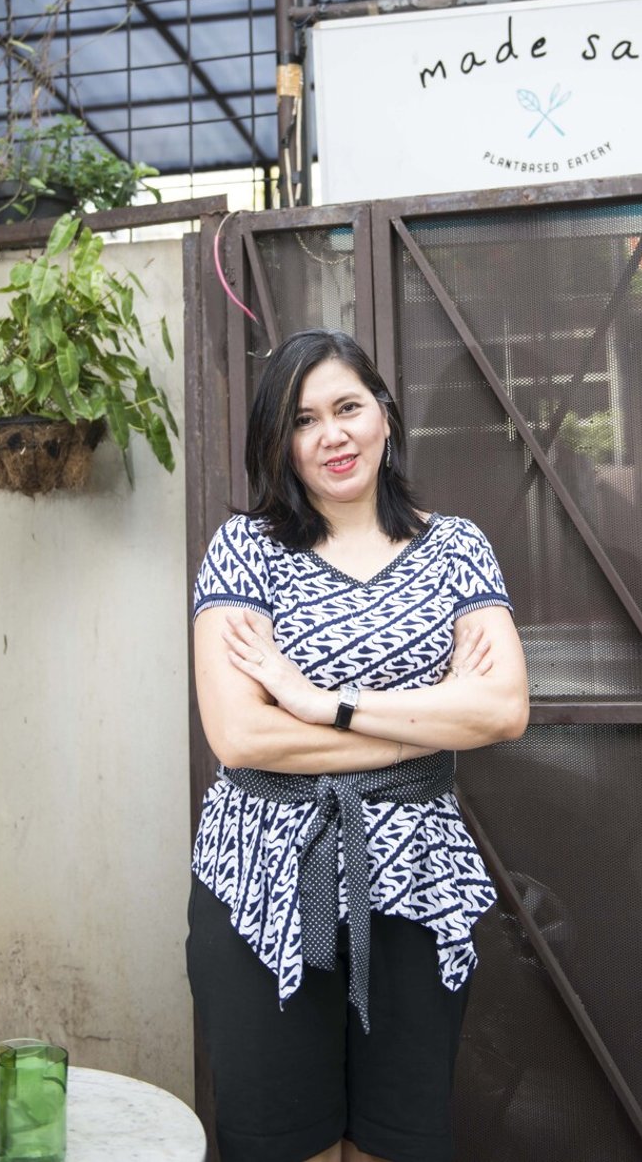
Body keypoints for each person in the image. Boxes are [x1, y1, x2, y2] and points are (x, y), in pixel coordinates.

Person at [187, 329, 529, 1162]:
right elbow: (240, 735)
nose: (332, 434)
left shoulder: (457, 547)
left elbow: (504, 708)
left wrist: (320, 702)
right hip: (264, 880)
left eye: (348, 406)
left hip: (417, 877)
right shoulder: (246, 550)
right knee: (286, 1144)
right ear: (280, 441)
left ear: (384, 414)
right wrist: (428, 725)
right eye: (304, 420)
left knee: (395, 1144)